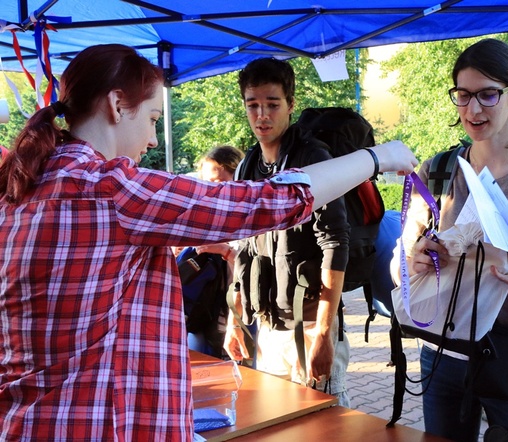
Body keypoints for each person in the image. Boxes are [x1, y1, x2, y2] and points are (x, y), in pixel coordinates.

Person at [0, 44, 418, 441]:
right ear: (116, 105)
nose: (153, 140)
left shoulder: (23, 186)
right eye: (151, 119)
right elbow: (268, 203)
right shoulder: (109, 189)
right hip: (96, 424)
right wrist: (377, 158)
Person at [390, 38, 508, 441]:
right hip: (446, 354)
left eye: (488, 95)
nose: (473, 110)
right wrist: (413, 258)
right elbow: (399, 268)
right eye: (463, 95)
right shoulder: (438, 171)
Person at [223, 57, 351, 406]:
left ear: (291, 106)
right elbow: (244, 246)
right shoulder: (249, 165)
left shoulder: (313, 159)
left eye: (272, 104)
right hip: (268, 324)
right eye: (253, 105)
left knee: (323, 429)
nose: (262, 115)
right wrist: (236, 317)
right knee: (275, 421)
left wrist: (325, 332)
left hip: (309, 324)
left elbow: (335, 242)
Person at [179, 145, 245, 358]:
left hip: (243, 315)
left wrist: (226, 251)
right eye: (206, 184)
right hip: (203, 315)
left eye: (218, 184)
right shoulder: (201, 218)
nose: (211, 191)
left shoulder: (251, 219)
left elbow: (258, 270)